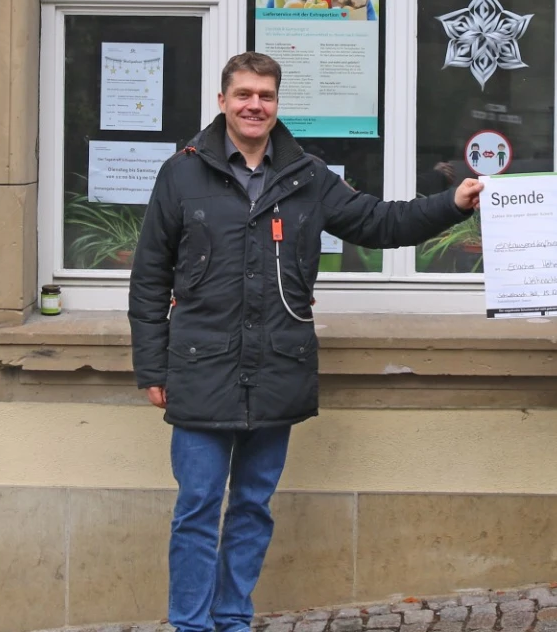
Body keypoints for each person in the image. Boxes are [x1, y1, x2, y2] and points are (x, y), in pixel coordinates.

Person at [130, 51, 482, 632]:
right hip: (199, 369)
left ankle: (232, 618)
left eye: (265, 96)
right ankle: (190, 625)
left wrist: (452, 203)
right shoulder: (181, 174)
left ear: (277, 103)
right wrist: (152, 369)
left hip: (277, 368)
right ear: (222, 101)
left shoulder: (307, 176)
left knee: (252, 506)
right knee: (197, 509)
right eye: (243, 94)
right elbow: (149, 278)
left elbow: (380, 222)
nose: (254, 105)